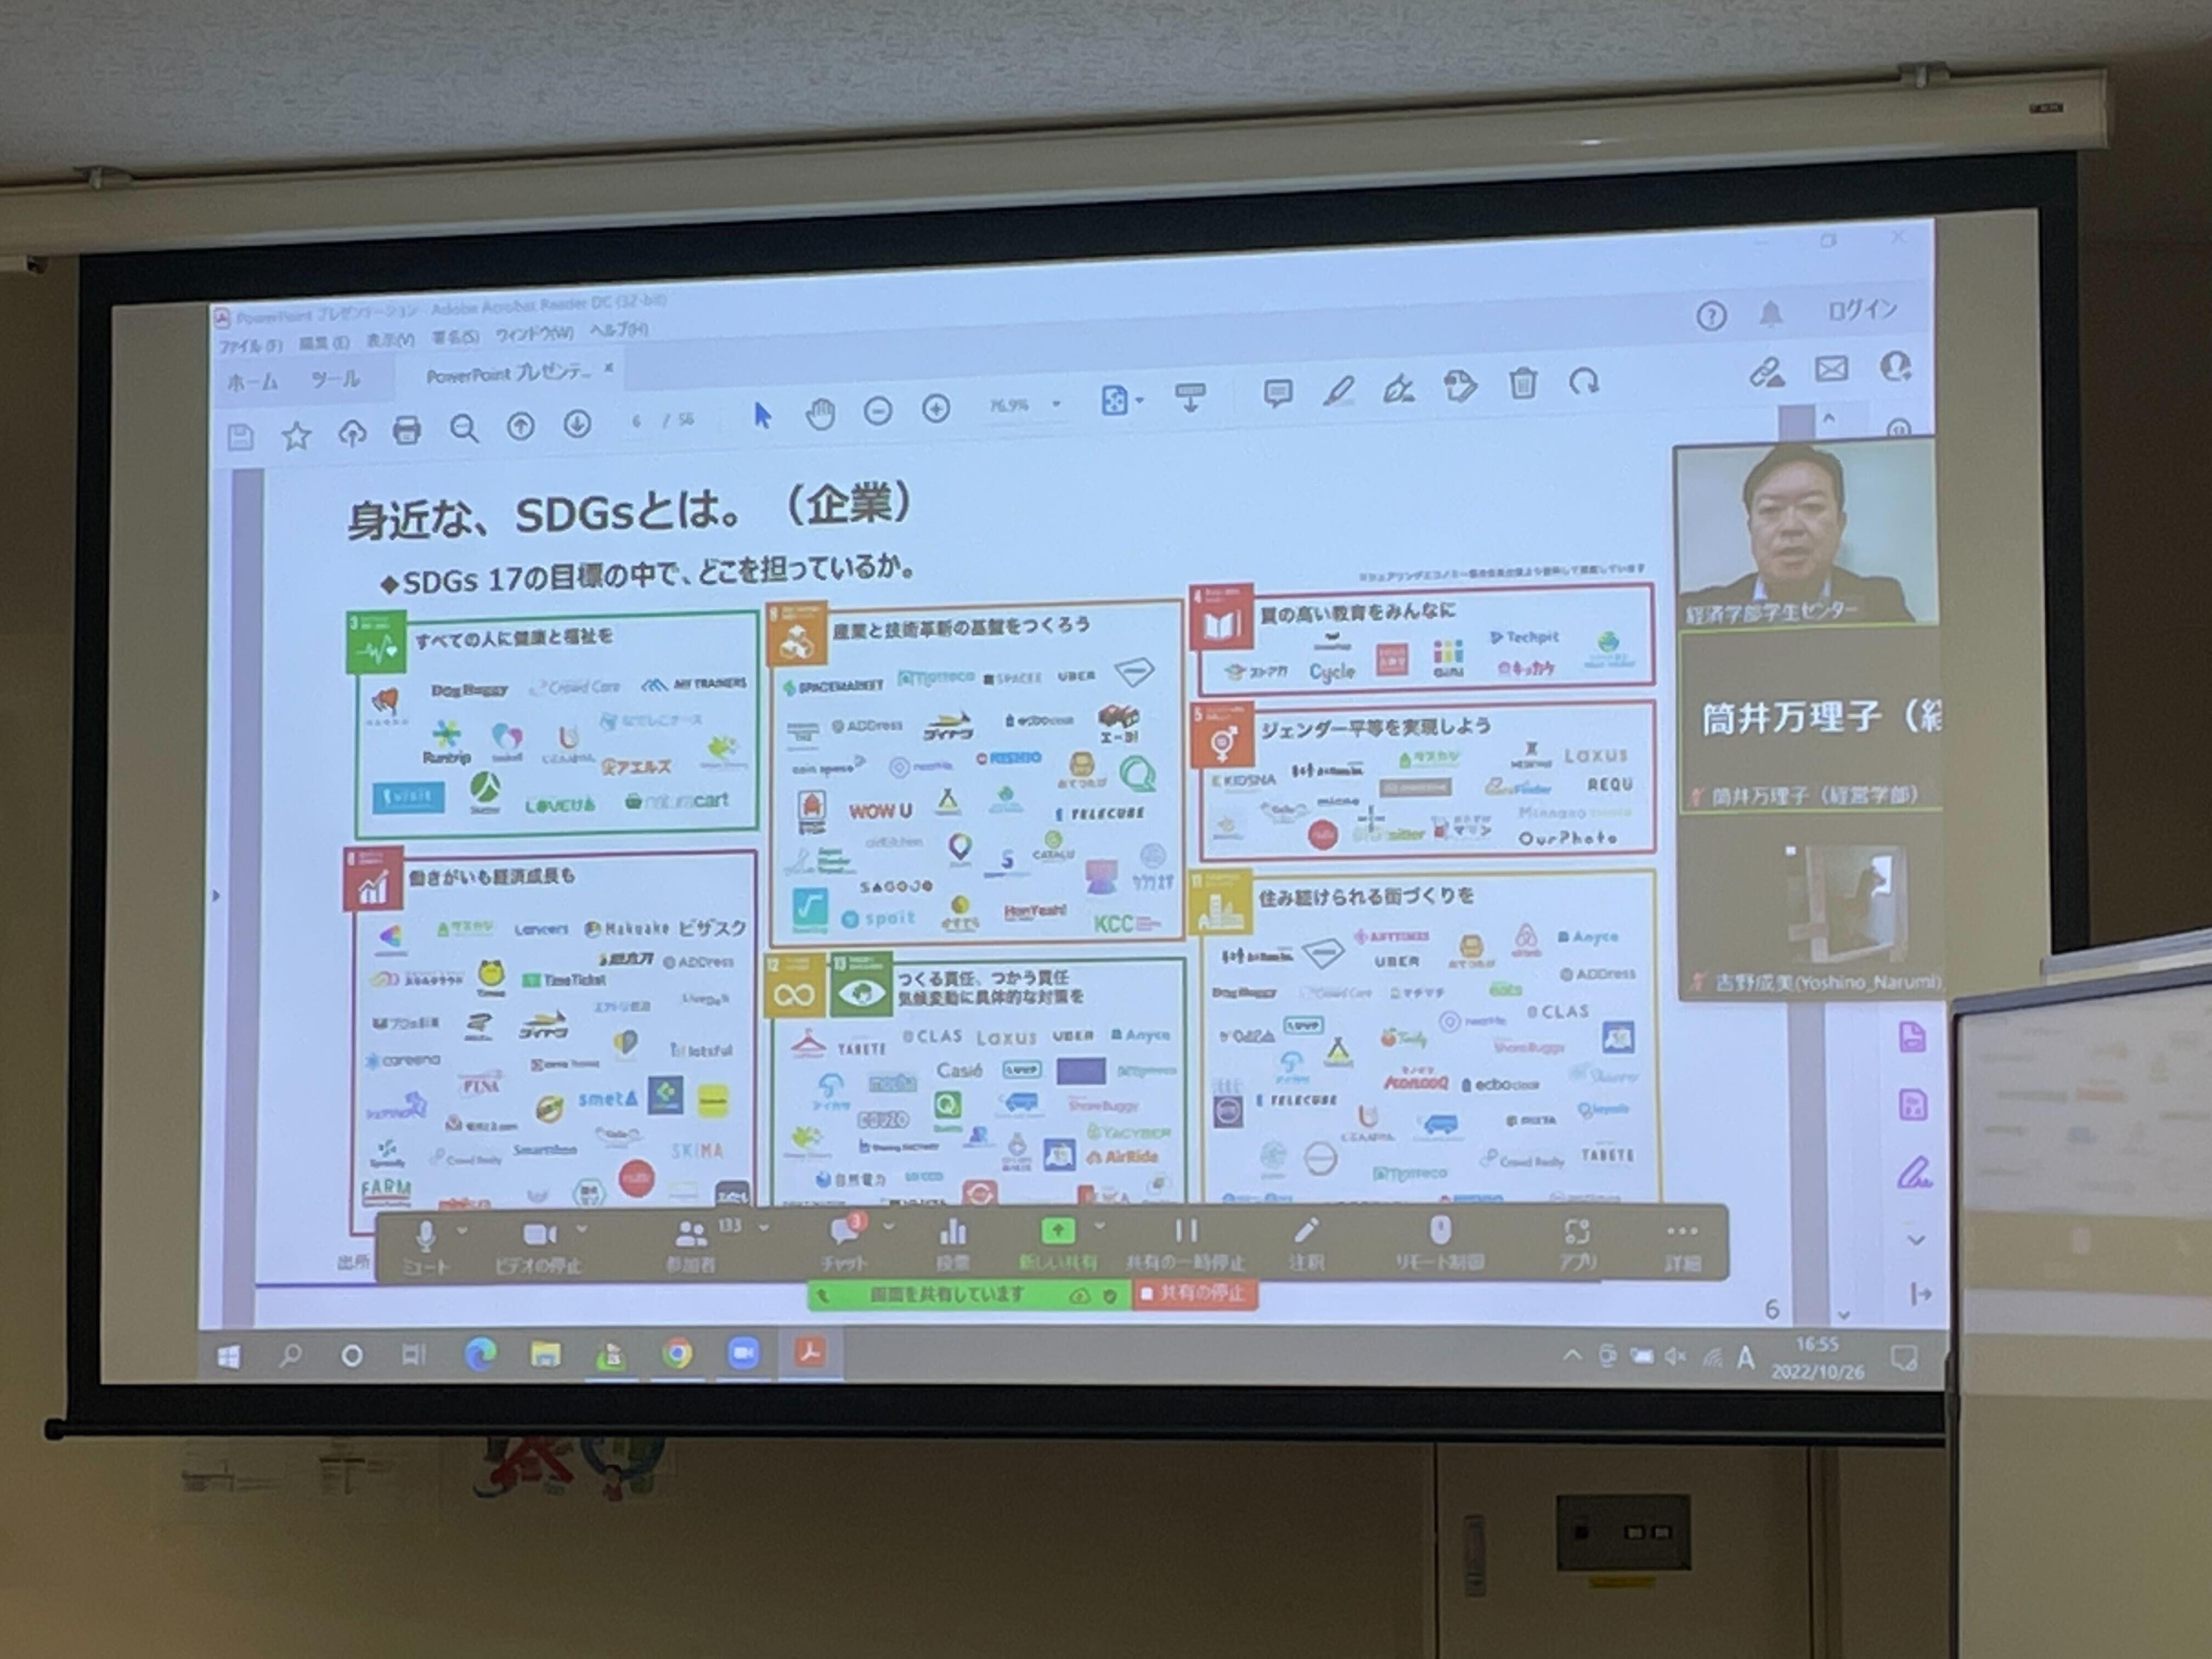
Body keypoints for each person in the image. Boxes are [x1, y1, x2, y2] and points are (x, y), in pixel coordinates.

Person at [1680, 444, 1914, 623]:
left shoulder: (1880, 604)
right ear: (1751, 529)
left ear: (1840, 524)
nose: (1791, 526)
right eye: (1771, 510)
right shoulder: (1702, 612)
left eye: (1812, 507)